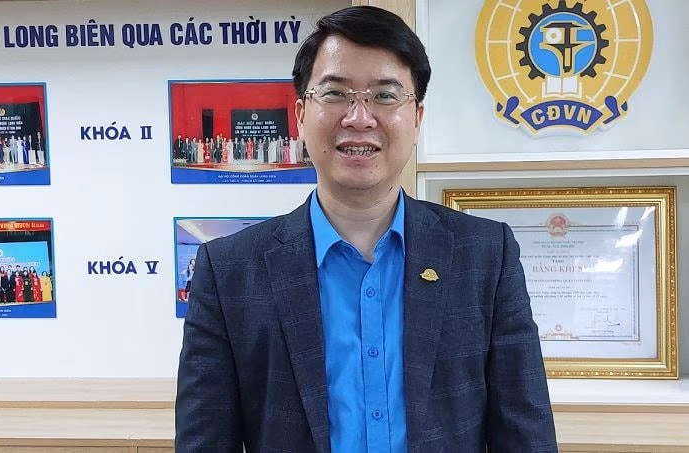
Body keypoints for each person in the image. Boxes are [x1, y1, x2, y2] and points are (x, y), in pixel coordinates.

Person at [175, 6, 557, 452]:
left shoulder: (486, 256)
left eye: (385, 95)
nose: (359, 118)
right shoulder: (229, 272)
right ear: (300, 115)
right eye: (335, 93)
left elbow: (526, 437)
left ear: (417, 118)